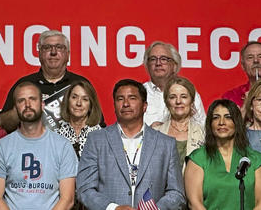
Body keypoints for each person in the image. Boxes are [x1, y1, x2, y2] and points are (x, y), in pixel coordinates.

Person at [77, 79, 185, 210]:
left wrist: (154, 209)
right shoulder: (96, 140)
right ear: (114, 105)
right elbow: (85, 189)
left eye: (132, 98)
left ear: (145, 106)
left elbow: (177, 193)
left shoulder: (166, 144)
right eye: (120, 99)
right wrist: (113, 208)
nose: (126, 104)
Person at [0, 81, 77, 210]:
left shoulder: (63, 146)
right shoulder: (2, 146)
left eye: (32, 99)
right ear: (16, 108)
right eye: (21, 101)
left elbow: (67, 200)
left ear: (42, 104)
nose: (27, 105)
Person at [0, 31, 98, 133]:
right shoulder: (25, 85)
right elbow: (2, 124)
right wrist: (22, 110)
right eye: (47, 48)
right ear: (39, 54)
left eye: (59, 47)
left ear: (68, 55)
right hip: (33, 145)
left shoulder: (80, 83)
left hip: (73, 147)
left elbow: (98, 123)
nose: (53, 52)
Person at [183, 99, 261, 210]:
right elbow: (194, 204)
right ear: (210, 124)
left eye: (228, 117)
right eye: (216, 117)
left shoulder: (256, 160)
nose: (221, 122)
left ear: (236, 122)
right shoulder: (197, 159)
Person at [143, 42, 205, 127]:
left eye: (163, 59)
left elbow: (202, 128)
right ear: (147, 65)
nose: (158, 63)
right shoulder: (138, 93)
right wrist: (149, 133)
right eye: (153, 59)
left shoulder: (188, 92)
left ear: (175, 65)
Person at [153, 76, 206, 166]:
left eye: (184, 97)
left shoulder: (204, 133)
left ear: (192, 101)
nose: (178, 101)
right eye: (173, 97)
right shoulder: (155, 133)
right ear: (166, 102)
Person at [56, 80, 103, 157]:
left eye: (85, 99)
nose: (78, 103)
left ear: (91, 105)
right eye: (74, 97)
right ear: (67, 101)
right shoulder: (56, 133)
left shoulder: (100, 136)